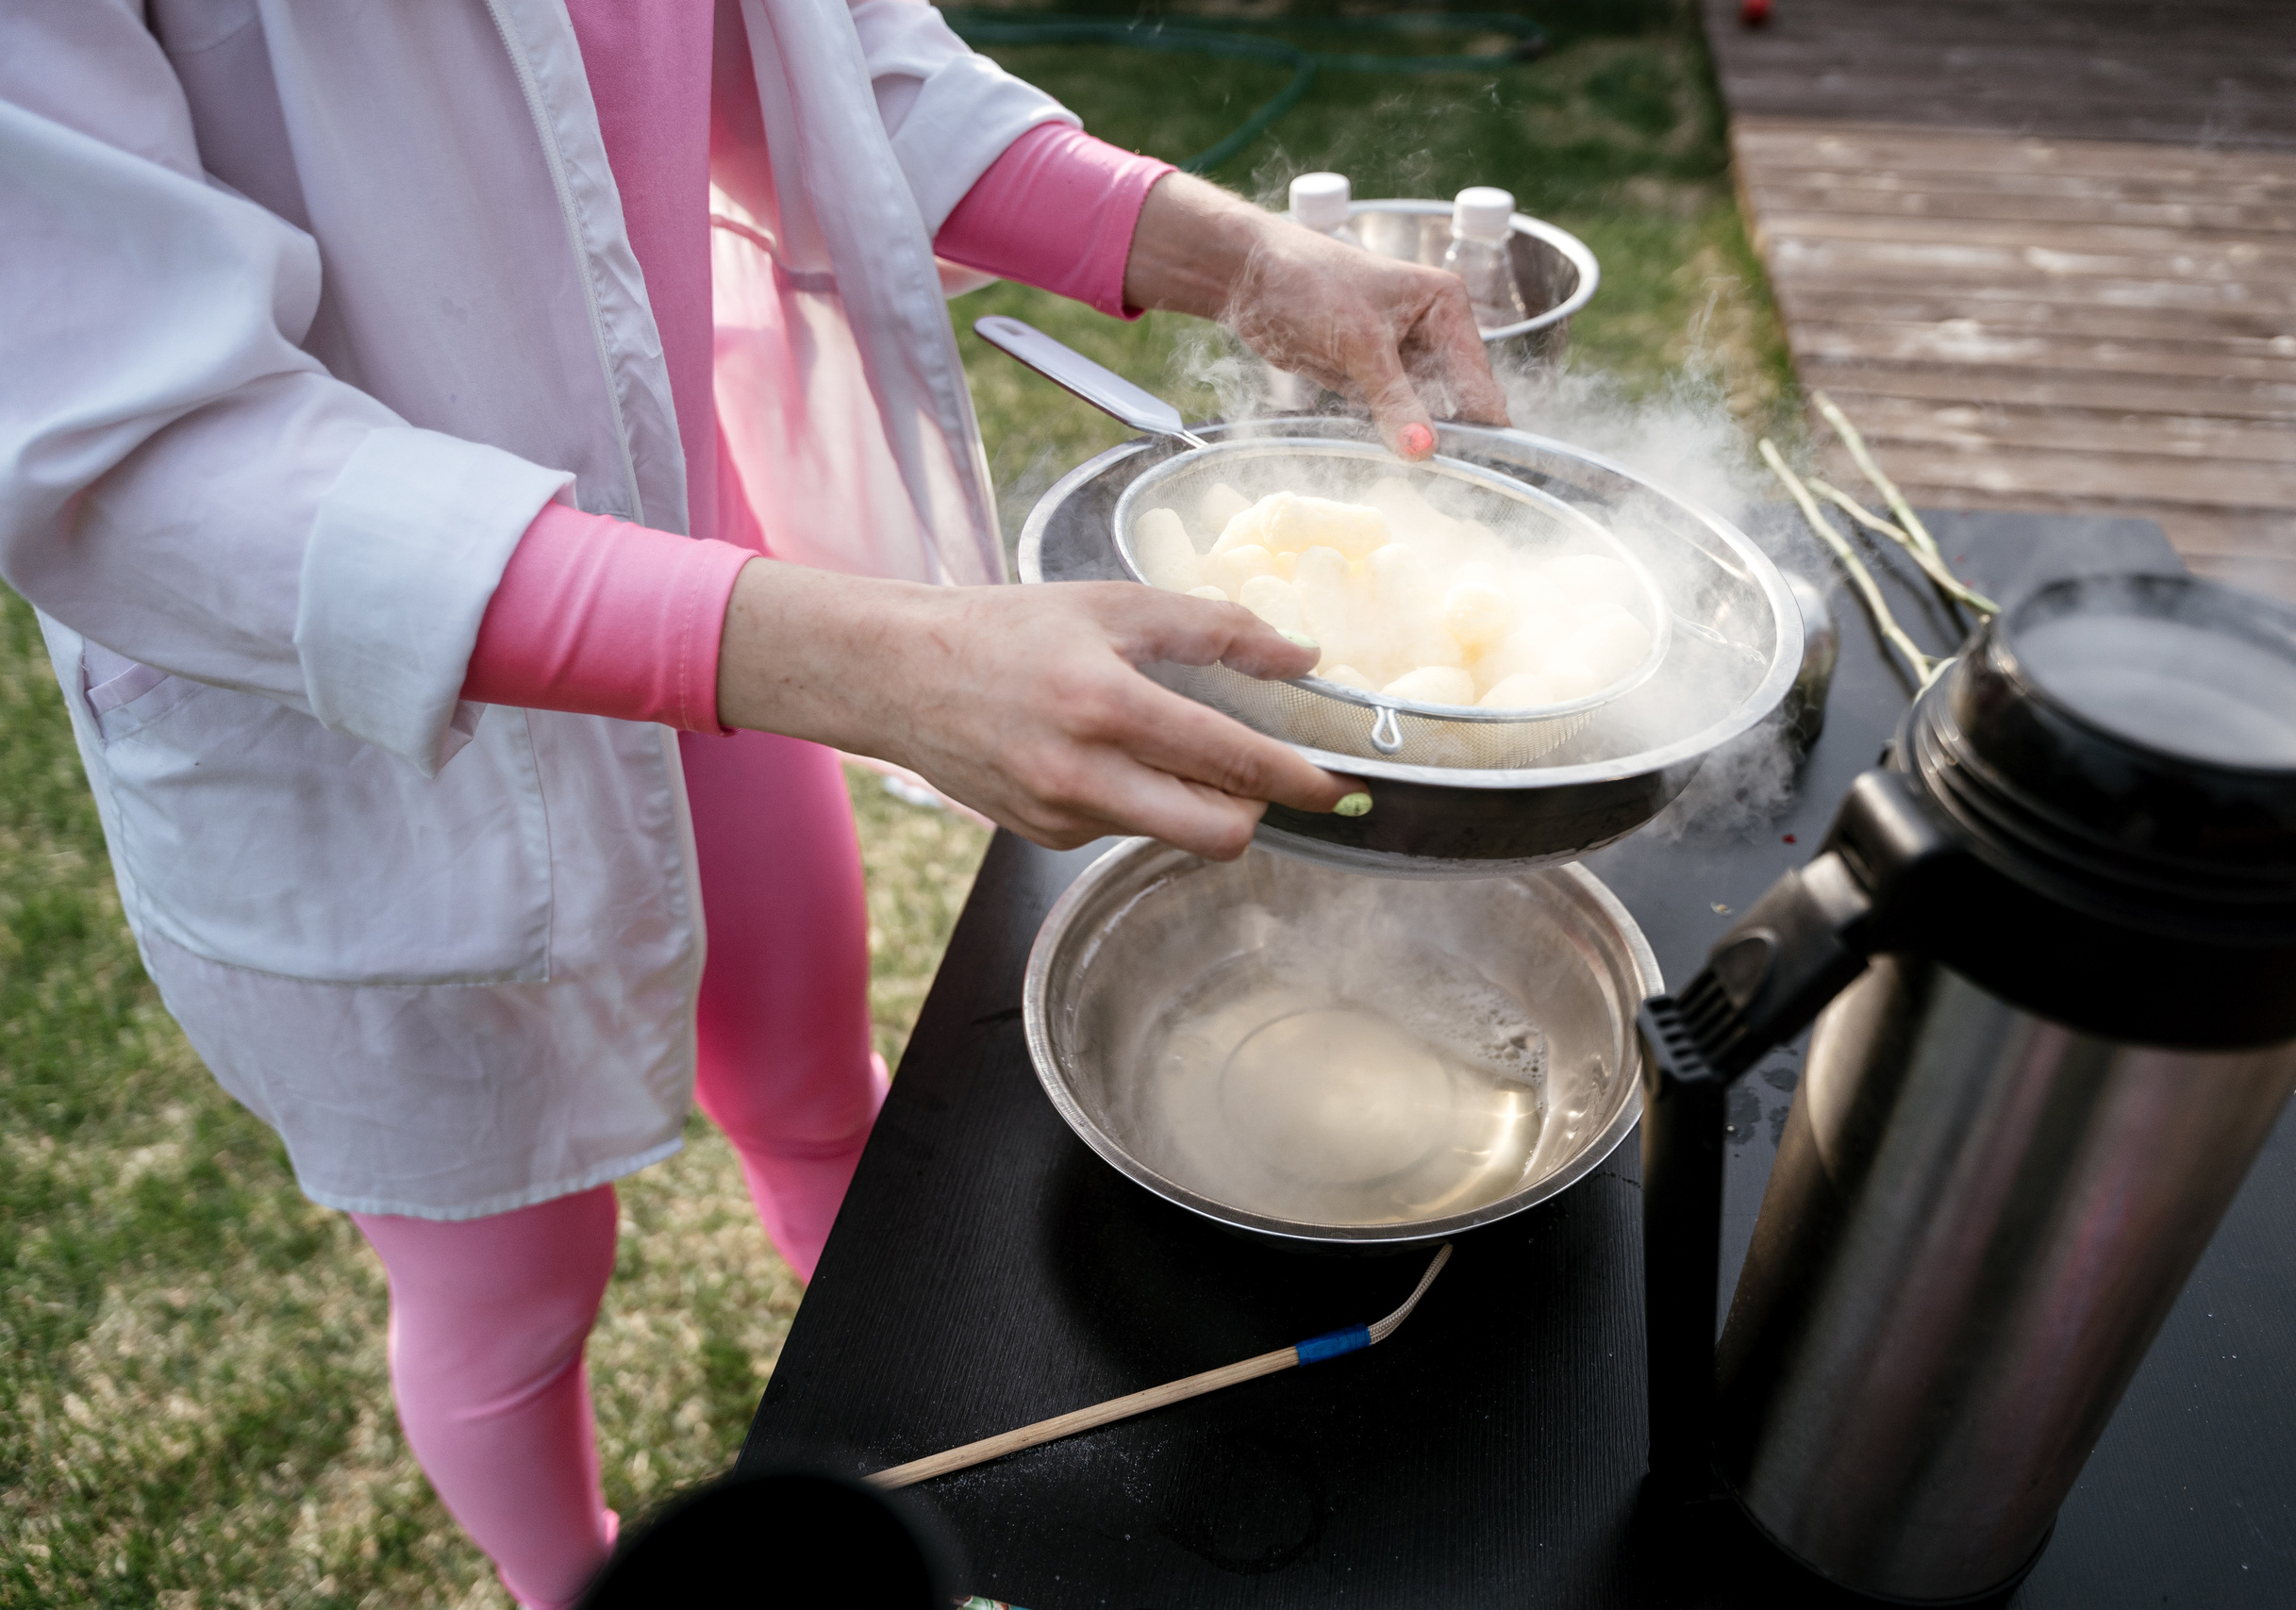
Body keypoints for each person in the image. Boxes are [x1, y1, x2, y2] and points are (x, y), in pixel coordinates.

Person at [0, 3, 1507, 1603]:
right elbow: (129, 436)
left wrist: (1244, 258)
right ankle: (567, 1582)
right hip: (358, 721)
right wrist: (875, 664)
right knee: (512, 1281)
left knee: (819, 1096)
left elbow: (834, 79)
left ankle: (914, 1429)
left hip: (709, 598)